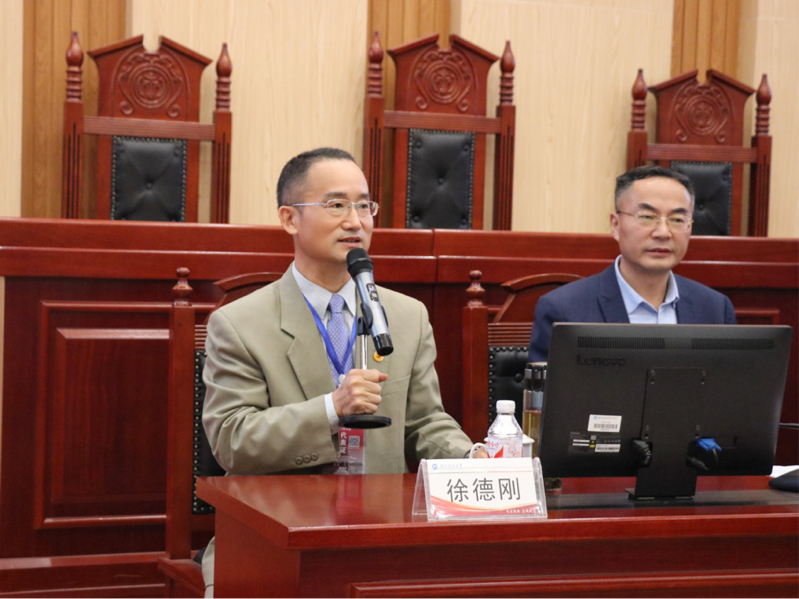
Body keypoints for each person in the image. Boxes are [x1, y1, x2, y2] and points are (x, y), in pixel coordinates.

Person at [200, 148, 479, 598]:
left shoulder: (406, 316)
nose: (355, 221)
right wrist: (332, 408)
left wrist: (471, 459)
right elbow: (233, 440)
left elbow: (425, 422)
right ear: (290, 219)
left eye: (364, 206)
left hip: (384, 534)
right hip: (273, 538)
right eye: (336, 205)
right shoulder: (239, 323)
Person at [528, 165, 736, 362]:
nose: (663, 232)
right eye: (647, 216)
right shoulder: (564, 311)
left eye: (677, 219)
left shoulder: (716, 309)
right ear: (616, 225)